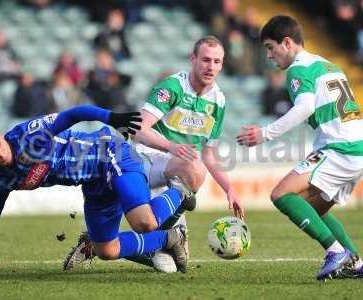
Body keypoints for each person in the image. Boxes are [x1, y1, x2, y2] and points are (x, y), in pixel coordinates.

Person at [64, 35, 244, 273]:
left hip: (172, 173)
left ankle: (97, 245)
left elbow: (209, 153)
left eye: (217, 62)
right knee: (194, 168)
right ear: (193, 59)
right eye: (206, 60)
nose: (211, 67)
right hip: (144, 162)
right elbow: (138, 130)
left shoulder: (218, 100)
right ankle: (164, 233)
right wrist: (171, 147)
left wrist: (229, 189)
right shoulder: (172, 88)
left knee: (171, 266)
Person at [0, 104, 193, 277]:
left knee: (145, 224)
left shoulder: (28, 135)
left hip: (111, 154)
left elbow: (73, 114)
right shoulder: (1, 180)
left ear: (1, 136)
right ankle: (173, 237)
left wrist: (111, 117)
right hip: (94, 184)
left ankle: (178, 191)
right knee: (107, 251)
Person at [236, 15, 363, 280]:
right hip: (355, 145)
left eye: (271, 48)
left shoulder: (298, 68)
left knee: (281, 194)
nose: (270, 56)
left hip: (340, 147)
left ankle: (335, 252)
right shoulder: (328, 65)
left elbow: (304, 107)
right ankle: (356, 263)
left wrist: (264, 134)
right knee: (314, 209)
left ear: (286, 43)